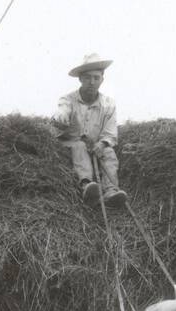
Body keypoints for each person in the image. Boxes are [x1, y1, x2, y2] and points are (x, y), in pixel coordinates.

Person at [54, 53, 128, 207]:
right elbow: (62, 111)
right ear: (80, 79)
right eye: (87, 77)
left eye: (96, 77)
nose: (92, 82)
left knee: (109, 153)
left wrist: (102, 144)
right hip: (72, 145)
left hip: (95, 146)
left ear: (102, 79)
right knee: (79, 145)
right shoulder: (68, 100)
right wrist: (61, 117)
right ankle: (87, 185)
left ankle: (111, 190)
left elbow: (109, 133)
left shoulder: (108, 104)